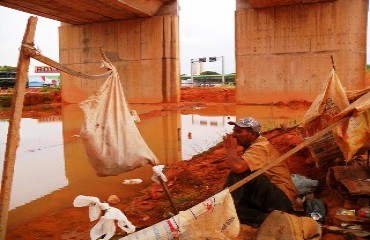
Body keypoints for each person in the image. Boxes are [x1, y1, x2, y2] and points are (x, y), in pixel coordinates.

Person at [223, 117, 302, 227]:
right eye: (234, 131)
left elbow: (238, 167)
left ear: (251, 134)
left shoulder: (260, 147)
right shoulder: (253, 146)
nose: (233, 135)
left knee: (240, 174)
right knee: (236, 210)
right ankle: (268, 219)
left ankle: (223, 208)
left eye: (238, 131)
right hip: (277, 202)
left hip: (282, 199)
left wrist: (230, 148)